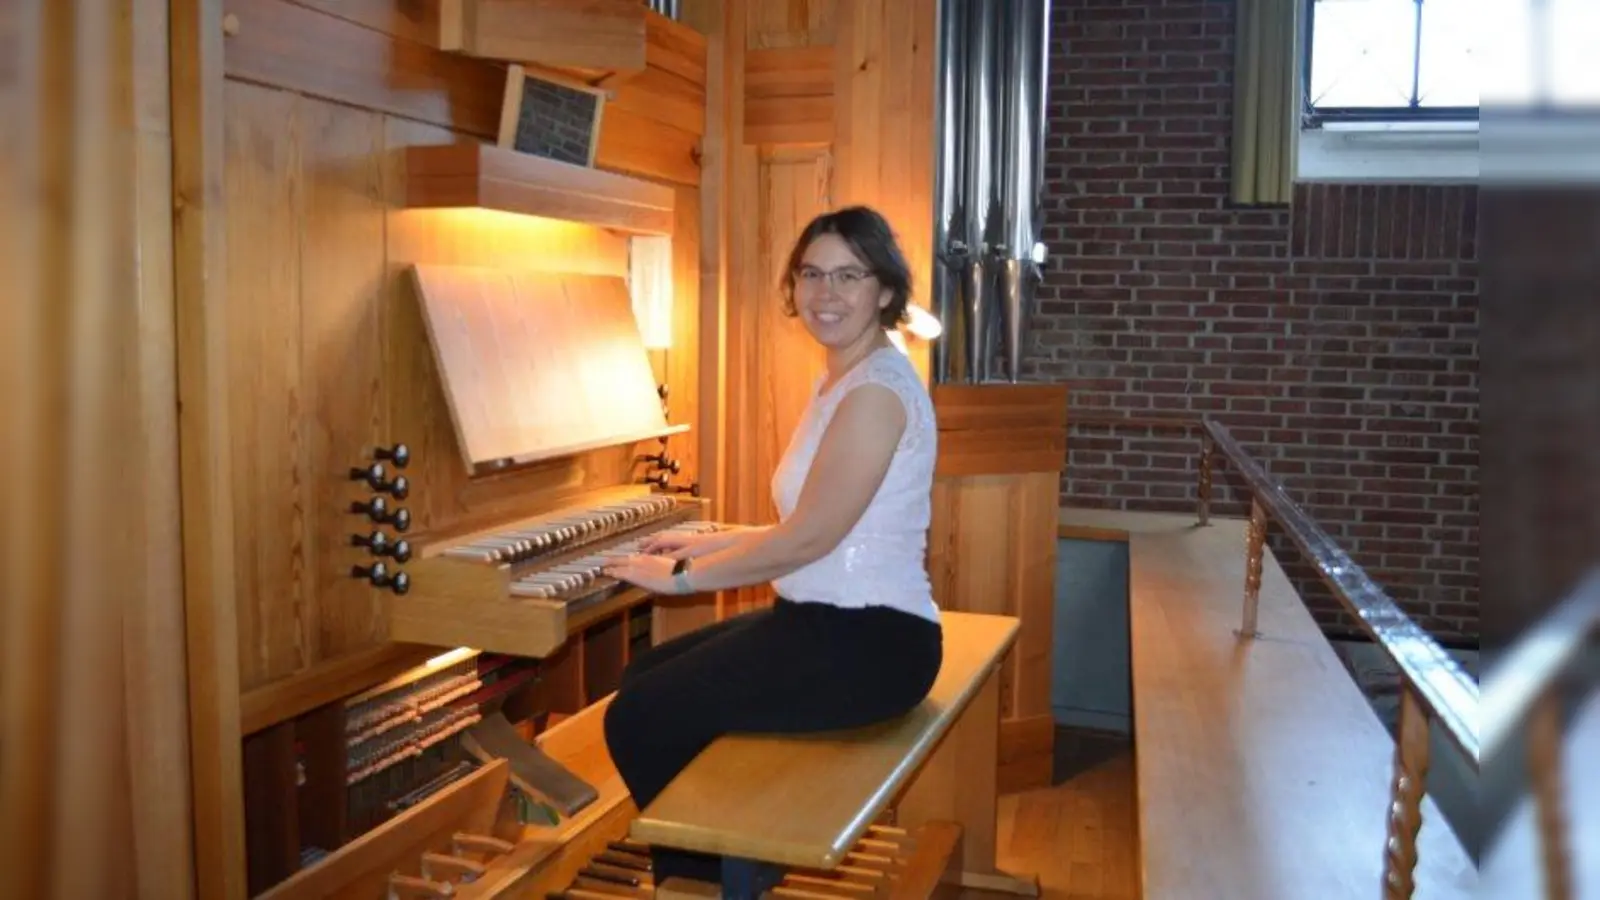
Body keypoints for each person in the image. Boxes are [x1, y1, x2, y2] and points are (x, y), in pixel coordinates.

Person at [599, 205, 943, 888]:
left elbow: (813, 537)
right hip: (826, 622)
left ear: (883, 291)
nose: (826, 293)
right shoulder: (841, 379)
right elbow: (808, 522)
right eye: (812, 274)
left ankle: (707, 878)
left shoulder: (876, 393)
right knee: (643, 679)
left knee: (638, 718)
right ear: (793, 288)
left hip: (872, 643)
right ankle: (722, 860)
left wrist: (686, 578)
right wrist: (704, 540)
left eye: (849, 275)